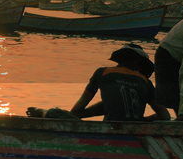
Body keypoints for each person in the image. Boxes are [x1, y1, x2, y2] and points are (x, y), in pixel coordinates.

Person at [29, 44, 169, 121]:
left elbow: (77, 112)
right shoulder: (146, 82)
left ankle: (41, 112)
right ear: (140, 65)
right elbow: (165, 116)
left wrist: (107, 106)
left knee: (54, 112)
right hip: (134, 131)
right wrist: (141, 121)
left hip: (110, 129)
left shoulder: (102, 72)